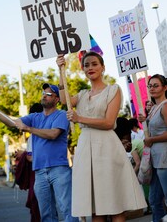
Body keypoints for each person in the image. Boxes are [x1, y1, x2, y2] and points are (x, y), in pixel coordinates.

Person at [56, 51, 147, 222]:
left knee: (114, 201)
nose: (90, 67)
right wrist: (61, 70)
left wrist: (79, 118)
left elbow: (108, 122)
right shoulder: (82, 94)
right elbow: (63, 99)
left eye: (94, 64)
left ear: (102, 67)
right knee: (96, 207)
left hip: (107, 146)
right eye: (86, 65)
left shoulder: (113, 90)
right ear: (83, 69)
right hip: (85, 148)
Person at [0, 84, 78, 222]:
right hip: (39, 171)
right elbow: (12, 123)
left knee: (67, 210)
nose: (44, 95)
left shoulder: (62, 115)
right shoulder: (34, 117)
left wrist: (29, 128)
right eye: (43, 93)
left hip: (59, 169)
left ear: (57, 99)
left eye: (48, 94)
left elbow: (53, 134)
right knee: (46, 213)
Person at [138, 74, 167, 222]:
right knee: (154, 201)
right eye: (150, 86)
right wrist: (145, 121)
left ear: (165, 87)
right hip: (154, 161)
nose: (152, 88)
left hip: (164, 159)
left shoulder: (165, 106)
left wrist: (151, 139)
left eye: (156, 85)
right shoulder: (154, 108)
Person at [15, 103, 43, 222]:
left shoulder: (34, 135)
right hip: (49, 173)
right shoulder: (49, 131)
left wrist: (23, 154)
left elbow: (31, 158)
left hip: (38, 175)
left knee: (38, 206)